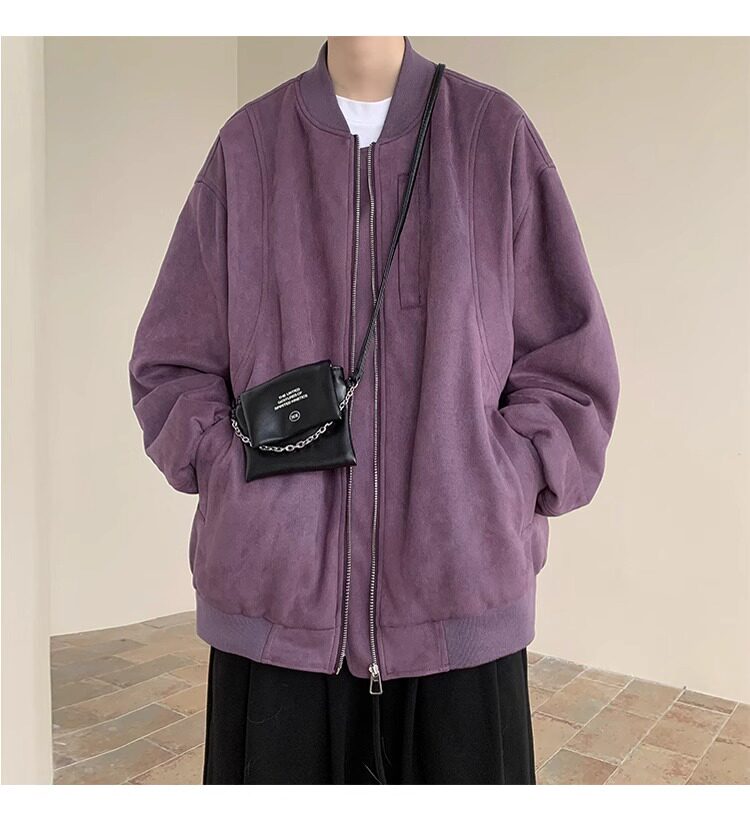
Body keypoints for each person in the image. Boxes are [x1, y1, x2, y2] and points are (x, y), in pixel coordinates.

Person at [128, 36, 620, 784]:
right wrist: (227, 471)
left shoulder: (492, 135)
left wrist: (502, 481)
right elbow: (171, 363)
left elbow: (571, 368)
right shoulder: (249, 147)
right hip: (275, 611)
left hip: (460, 598)